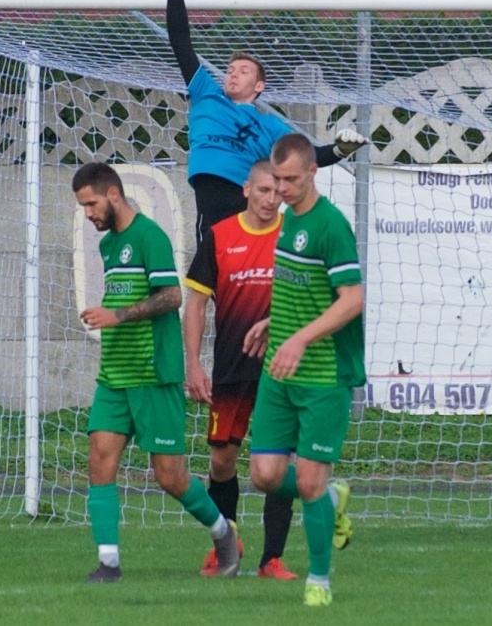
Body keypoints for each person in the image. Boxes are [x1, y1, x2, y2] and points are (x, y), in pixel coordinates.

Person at [184, 159, 353, 581]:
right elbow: (197, 304)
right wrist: (192, 363)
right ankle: (226, 546)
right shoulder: (220, 236)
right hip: (230, 368)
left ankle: (271, 559)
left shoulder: (294, 236)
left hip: (284, 368)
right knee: (222, 461)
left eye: (277, 191)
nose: (270, 199)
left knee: (279, 463)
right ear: (246, 189)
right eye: (263, 190)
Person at [72, 161, 241, 583]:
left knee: (170, 477)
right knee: (99, 459)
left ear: (113, 194)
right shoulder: (109, 245)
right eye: (82, 206)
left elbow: (170, 297)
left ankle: (224, 535)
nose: (88, 213)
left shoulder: (150, 237)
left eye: (91, 203)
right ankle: (108, 564)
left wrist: (117, 315)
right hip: (115, 375)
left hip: (153, 373)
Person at [155, 0, 364, 252]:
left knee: (251, 283)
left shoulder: (269, 126)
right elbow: (180, 41)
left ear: (259, 86)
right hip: (208, 206)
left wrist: (339, 150)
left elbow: (306, 157)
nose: (233, 74)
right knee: (213, 283)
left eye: (243, 70)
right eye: (229, 69)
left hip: (247, 208)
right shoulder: (205, 93)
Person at [247, 133, 365, 607]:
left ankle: (319, 580)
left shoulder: (331, 226)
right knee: (265, 475)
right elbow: (306, 286)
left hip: (321, 375)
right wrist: (275, 322)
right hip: (280, 370)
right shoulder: (286, 221)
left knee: (309, 481)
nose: (281, 190)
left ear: (313, 172)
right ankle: (333, 499)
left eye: (290, 180)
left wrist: (299, 337)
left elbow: (352, 300)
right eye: (275, 180)